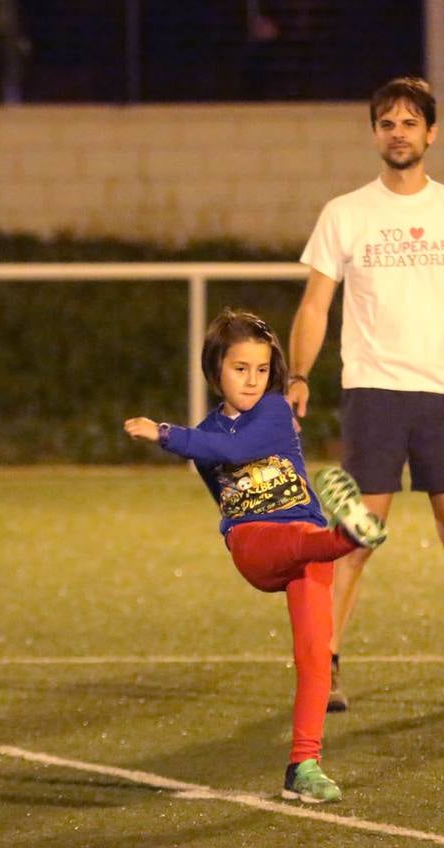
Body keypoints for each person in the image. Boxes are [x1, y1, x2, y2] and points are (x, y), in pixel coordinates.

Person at [288, 76, 444, 713]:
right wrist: (298, 373)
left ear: (431, 133)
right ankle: (323, 668)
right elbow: (315, 304)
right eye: (387, 123)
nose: (399, 132)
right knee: (356, 534)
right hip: (375, 392)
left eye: (411, 123)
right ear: (376, 134)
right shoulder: (346, 213)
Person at [124, 308, 387, 803]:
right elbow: (216, 456)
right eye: (239, 368)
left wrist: (164, 433)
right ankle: (350, 534)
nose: (252, 379)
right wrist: (179, 437)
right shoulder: (204, 434)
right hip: (255, 543)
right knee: (301, 542)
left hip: (306, 537)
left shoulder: (274, 412)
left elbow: (238, 445)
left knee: (314, 658)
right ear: (215, 369)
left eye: (262, 369)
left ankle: (303, 765)